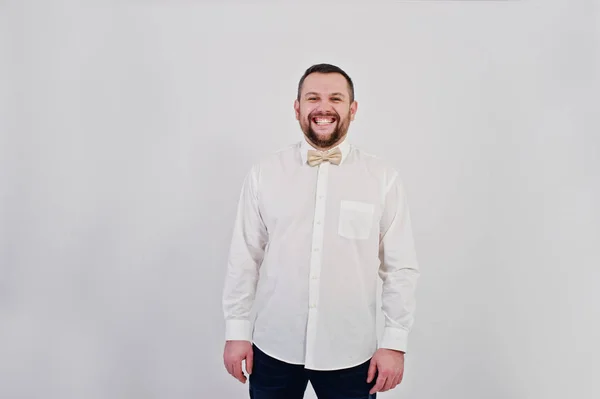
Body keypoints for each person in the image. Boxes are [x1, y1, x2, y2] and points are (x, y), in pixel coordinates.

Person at [222, 63, 420, 399]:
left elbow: (400, 268)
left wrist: (394, 343)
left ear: (352, 109)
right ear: (297, 108)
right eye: (312, 98)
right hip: (274, 347)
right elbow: (244, 257)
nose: (323, 108)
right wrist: (236, 330)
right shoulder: (264, 174)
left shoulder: (382, 178)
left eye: (336, 99)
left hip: (352, 353)